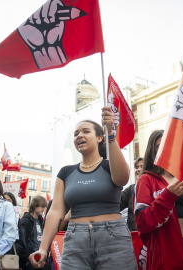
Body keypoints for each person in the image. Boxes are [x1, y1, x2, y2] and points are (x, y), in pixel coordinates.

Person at [29, 106, 137, 270]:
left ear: (99, 137)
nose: (79, 135)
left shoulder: (111, 166)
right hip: (75, 241)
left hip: (113, 240)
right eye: (76, 133)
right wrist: (43, 247)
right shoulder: (66, 172)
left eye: (86, 131)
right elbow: (56, 210)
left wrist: (110, 134)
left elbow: (122, 178)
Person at [134, 130, 183, 270]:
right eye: (159, 145)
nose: (166, 148)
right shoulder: (145, 180)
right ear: (152, 150)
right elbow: (142, 223)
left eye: (170, 144)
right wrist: (168, 196)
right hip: (168, 252)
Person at [18, 196, 47, 270]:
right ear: (35, 206)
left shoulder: (41, 220)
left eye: (44, 207)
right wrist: (27, 262)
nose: (43, 209)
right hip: (30, 260)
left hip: (40, 258)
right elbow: (22, 243)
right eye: (42, 206)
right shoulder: (26, 221)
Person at [120, 157, 144, 231]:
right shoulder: (131, 188)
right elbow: (117, 203)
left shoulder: (154, 187)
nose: (138, 169)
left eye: (142, 167)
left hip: (151, 236)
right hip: (134, 234)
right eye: (136, 167)